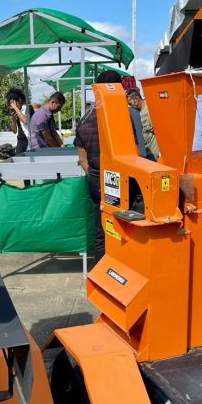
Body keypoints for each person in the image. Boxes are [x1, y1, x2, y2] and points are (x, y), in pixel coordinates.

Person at [75, 70, 123, 262]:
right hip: (120, 182)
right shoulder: (123, 116)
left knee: (101, 231)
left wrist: (94, 175)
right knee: (122, 230)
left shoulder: (85, 120)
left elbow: (83, 159)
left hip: (96, 181)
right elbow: (139, 154)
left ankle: (103, 269)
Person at [126, 89, 160, 160]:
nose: (130, 106)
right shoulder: (137, 113)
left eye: (130, 103)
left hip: (154, 153)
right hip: (145, 152)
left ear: (136, 99)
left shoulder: (150, 109)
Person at [6, 88, 32, 155]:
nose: (12, 106)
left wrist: (16, 108)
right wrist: (13, 120)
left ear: (20, 100)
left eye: (14, 103)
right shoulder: (16, 111)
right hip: (21, 141)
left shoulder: (28, 108)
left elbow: (25, 120)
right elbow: (14, 131)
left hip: (30, 140)